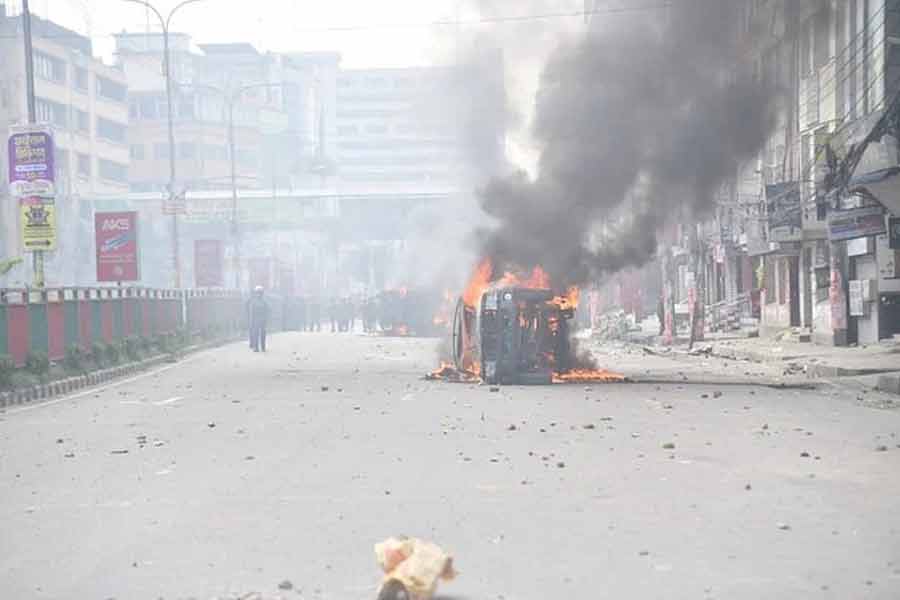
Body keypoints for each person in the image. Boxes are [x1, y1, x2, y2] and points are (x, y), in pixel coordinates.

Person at [247, 286, 270, 352]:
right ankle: (256, 347)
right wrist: (251, 321)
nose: (259, 294)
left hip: (262, 320)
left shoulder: (264, 302)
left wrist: (266, 320)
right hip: (256, 320)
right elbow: (251, 312)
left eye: (260, 293)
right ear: (256, 293)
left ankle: (263, 347)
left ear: (262, 294)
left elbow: (267, 312)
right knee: (255, 334)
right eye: (258, 293)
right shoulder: (253, 302)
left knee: (262, 334)